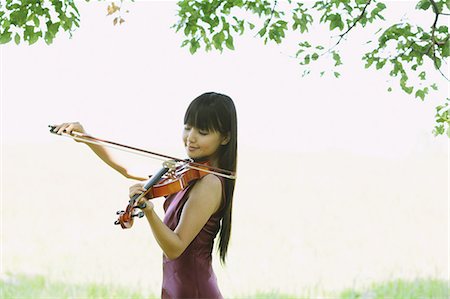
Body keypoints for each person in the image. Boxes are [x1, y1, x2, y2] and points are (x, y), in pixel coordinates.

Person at [52, 92, 238, 299]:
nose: (191, 137)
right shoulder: (188, 171)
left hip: (194, 291)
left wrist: (149, 211)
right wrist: (87, 138)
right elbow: (128, 169)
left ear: (225, 137)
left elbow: (175, 248)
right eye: (187, 127)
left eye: (202, 132)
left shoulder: (210, 183)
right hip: (177, 286)